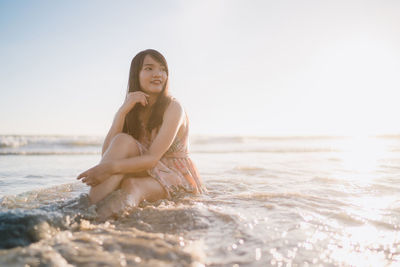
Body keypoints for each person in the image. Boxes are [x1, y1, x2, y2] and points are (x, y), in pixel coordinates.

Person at [77, 49, 205, 217]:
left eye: (162, 69)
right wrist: (122, 111)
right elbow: (108, 153)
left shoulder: (174, 108)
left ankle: (96, 222)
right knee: (122, 140)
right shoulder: (133, 108)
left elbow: (151, 159)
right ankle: (85, 214)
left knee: (131, 184)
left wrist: (110, 168)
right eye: (149, 68)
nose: (158, 74)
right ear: (136, 75)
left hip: (175, 176)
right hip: (146, 169)